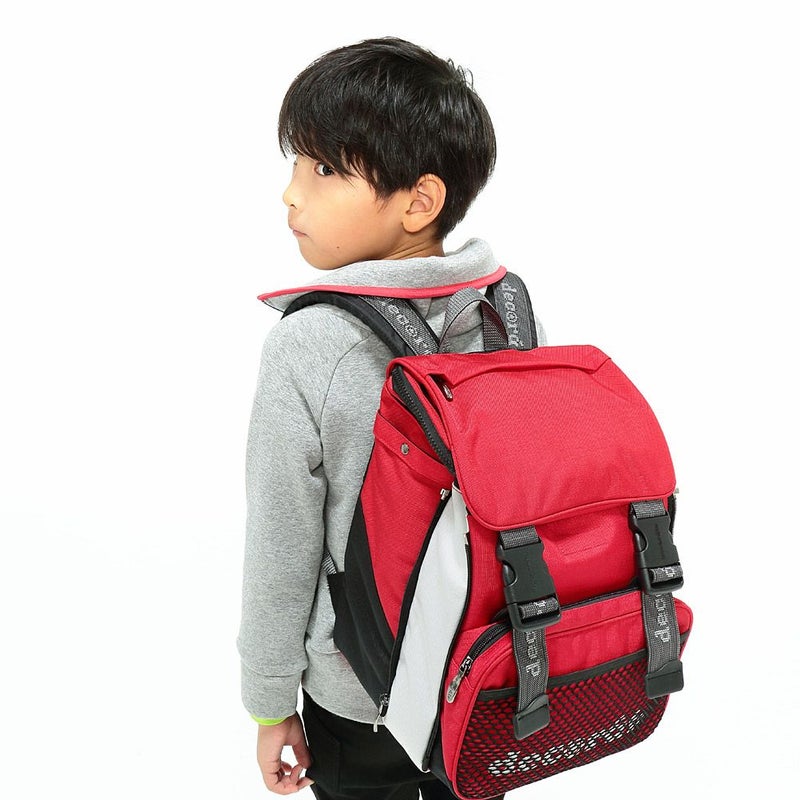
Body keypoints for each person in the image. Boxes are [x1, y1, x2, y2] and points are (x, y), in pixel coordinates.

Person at [238, 36, 535, 799]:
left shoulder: (310, 341)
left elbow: (282, 539)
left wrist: (270, 704)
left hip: (361, 694)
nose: (290, 194)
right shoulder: (507, 314)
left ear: (419, 202)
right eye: (296, 165)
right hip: (491, 671)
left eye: (324, 169)